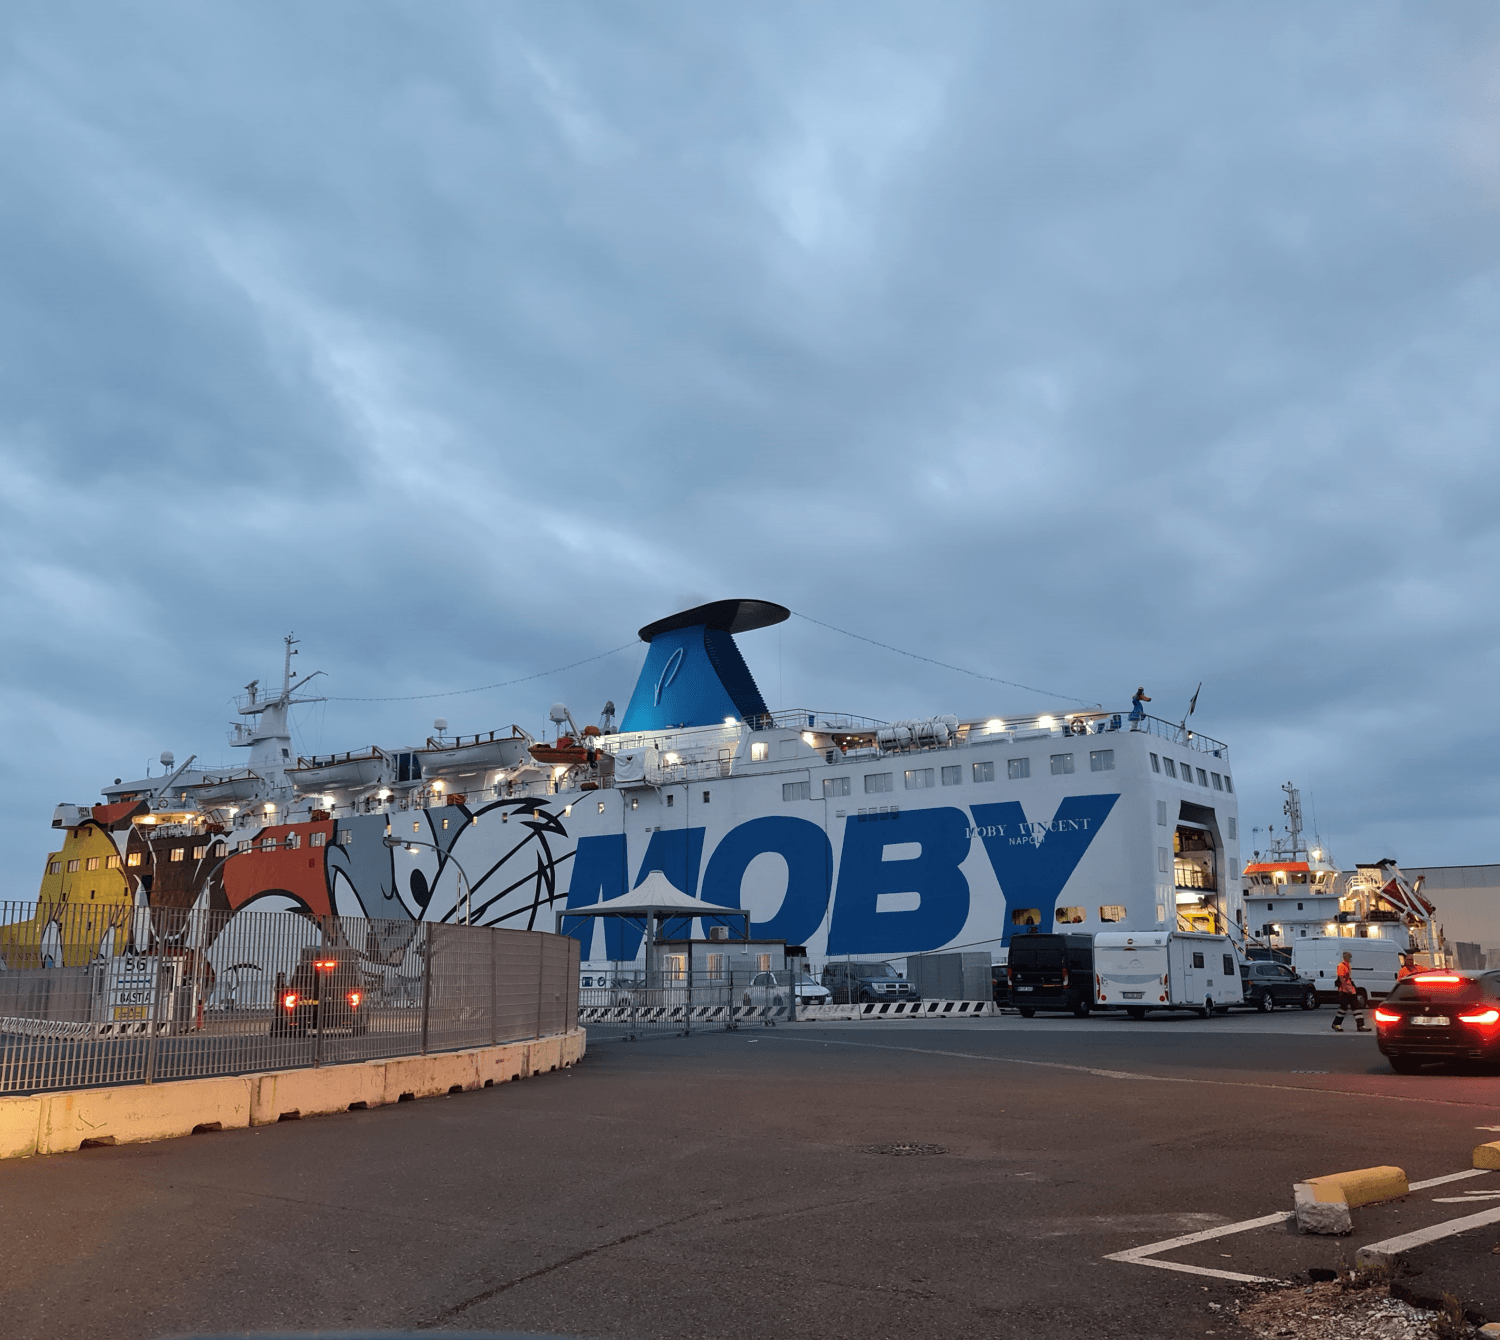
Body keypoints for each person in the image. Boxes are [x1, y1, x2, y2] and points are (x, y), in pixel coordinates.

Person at [1332, 950, 1368, 1032]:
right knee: (1343, 1008)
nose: (1350, 959)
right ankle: (1336, 1024)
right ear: (1346, 957)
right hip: (1345, 991)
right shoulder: (1342, 966)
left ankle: (1361, 1025)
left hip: (1350, 991)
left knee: (1356, 1008)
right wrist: (1347, 989)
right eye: (1350, 957)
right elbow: (1342, 978)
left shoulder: (1347, 965)